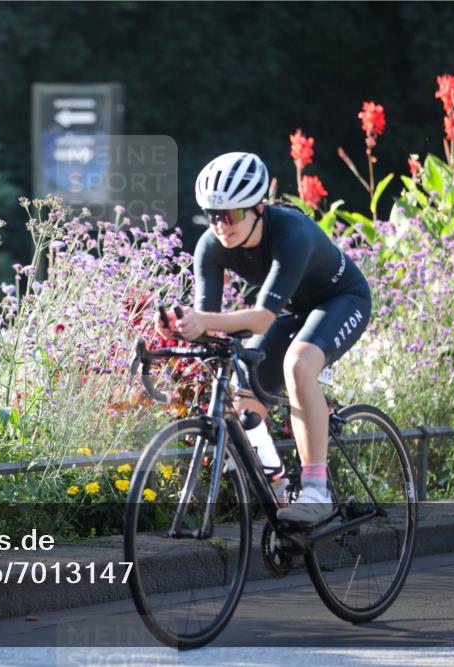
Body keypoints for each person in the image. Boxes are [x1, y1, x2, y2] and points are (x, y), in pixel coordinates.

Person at [158, 152, 372, 523]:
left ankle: (316, 492)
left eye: (231, 214)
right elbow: (208, 320)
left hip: (340, 299)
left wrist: (203, 319)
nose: (221, 226)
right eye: (212, 215)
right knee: (244, 403)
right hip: (290, 313)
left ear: (257, 207)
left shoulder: (291, 233)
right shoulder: (210, 246)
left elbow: (259, 320)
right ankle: (278, 491)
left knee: (299, 363)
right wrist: (181, 324)